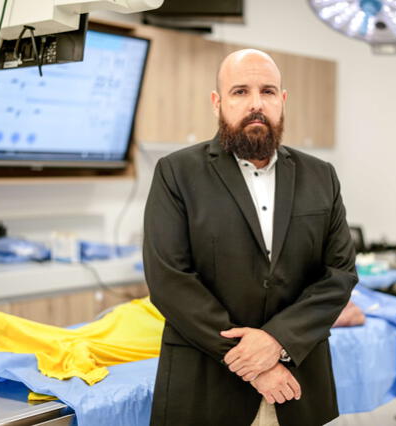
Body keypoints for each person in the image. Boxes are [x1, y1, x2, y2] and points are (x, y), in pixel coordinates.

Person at [143, 48, 358, 426]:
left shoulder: (321, 176)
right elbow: (169, 281)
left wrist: (277, 341)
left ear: (283, 100)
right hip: (206, 389)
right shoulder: (177, 174)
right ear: (217, 102)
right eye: (240, 92)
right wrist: (252, 363)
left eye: (268, 92)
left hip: (298, 387)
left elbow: (339, 275)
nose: (256, 103)